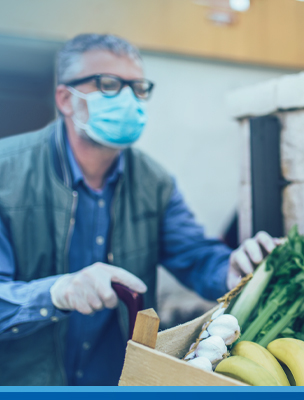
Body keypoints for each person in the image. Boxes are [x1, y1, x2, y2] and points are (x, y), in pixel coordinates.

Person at [0, 34, 277, 386]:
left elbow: (194, 255)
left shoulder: (154, 181)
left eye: (139, 87)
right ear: (66, 99)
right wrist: (56, 292)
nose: (129, 98)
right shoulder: (6, 172)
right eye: (109, 84)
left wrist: (232, 269)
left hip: (119, 379)